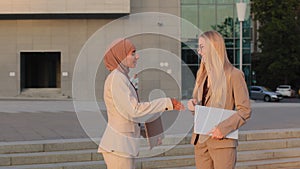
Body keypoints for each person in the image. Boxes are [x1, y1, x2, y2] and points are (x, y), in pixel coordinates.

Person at [98, 38, 184, 169]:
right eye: (132, 53)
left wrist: (147, 132)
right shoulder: (117, 79)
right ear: (120, 55)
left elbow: (127, 114)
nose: (137, 56)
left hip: (123, 147)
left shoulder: (121, 77)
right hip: (119, 146)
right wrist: (166, 102)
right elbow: (134, 110)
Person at [187, 31, 251, 169]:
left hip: (222, 141)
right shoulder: (202, 75)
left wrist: (223, 129)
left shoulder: (234, 75)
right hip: (201, 141)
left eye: (202, 47)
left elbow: (245, 111)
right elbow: (205, 107)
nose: (199, 51)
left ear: (213, 48)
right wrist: (194, 106)